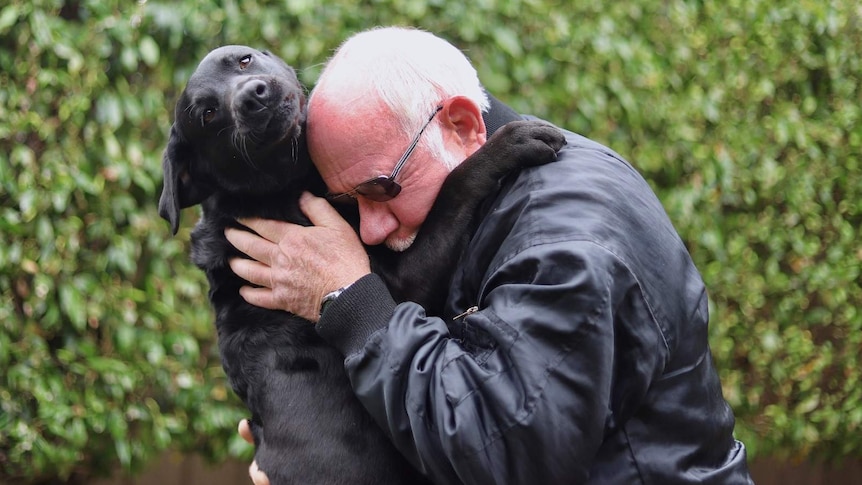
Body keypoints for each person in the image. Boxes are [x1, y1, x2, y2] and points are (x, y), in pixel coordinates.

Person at [224, 26, 753, 484]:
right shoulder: (494, 199)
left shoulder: (567, 244)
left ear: (461, 124)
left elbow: (505, 455)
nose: (369, 227)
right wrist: (316, 450)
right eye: (350, 202)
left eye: (381, 188)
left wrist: (351, 300)